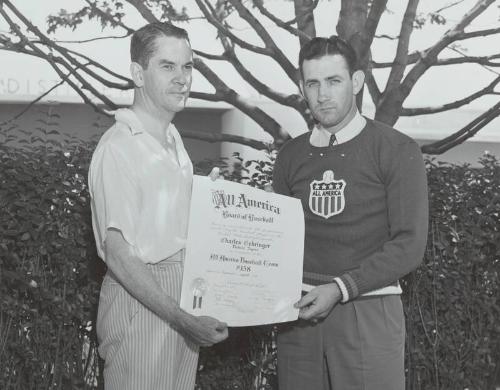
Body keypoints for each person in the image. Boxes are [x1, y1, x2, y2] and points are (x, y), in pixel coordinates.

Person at [272, 36, 428, 390]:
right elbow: (277, 240)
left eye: (334, 81)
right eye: (312, 83)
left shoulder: (396, 148)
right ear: (302, 87)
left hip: (369, 308)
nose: (322, 94)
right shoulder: (291, 156)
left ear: (356, 82)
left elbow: (409, 244)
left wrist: (341, 287)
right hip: (300, 313)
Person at [88, 23, 228, 390]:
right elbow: (120, 255)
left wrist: (208, 203)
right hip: (144, 300)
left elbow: (165, 223)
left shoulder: (170, 138)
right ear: (138, 73)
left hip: (176, 299)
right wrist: (181, 318)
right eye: (168, 67)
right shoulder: (120, 147)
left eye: (187, 66)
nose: (182, 78)